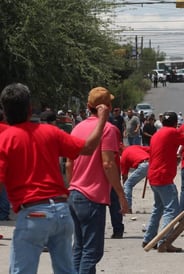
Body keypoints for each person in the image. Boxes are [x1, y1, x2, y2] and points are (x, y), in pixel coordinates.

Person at [0, 83, 109, 273]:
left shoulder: (5, 140)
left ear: (5, 111)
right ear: (29, 109)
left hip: (33, 213)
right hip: (62, 211)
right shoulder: (50, 132)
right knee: (66, 270)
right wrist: (102, 120)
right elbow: (88, 148)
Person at [66, 87, 129, 273]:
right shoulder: (108, 129)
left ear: (88, 106)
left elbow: (69, 164)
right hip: (92, 197)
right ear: (108, 107)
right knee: (92, 252)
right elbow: (108, 164)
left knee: (79, 247)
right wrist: (121, 195)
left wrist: (72, 186)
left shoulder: (77, 128)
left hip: (75, 194)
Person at [142, 111, 184, 252]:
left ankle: (149, 238)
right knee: (172, 210)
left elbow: (163, 152)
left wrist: (174, 157)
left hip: (153, 174)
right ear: (174, 122)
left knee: (158, 208)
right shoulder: (172, 132)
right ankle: (164, 241)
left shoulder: (157, 134)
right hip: (164, 176)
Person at [121, 145, 150, 213]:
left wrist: (123, 190)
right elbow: (151, 149)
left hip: (144, 165)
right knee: (157, 186)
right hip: (152, 163)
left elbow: (124, 176)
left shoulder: (123, 157)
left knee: (127, 185)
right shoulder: (135, 147)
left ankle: (128, 208)